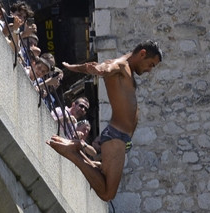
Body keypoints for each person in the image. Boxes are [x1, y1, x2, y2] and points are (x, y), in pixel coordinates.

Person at [47, 40, 162, 201]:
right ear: (142, 54)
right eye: (151, 64)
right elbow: (106, 67)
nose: (149, 70)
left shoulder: (127, 68)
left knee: (102, 174)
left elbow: (94, 67)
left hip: (120, 138)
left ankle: (76, 149)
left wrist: (75, 67)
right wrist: (98, 70)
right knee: (107, 194)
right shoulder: (120, 65)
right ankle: (73, 153)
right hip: (116, 136)